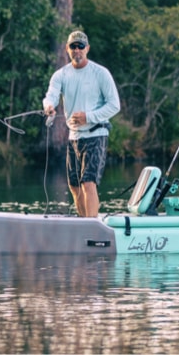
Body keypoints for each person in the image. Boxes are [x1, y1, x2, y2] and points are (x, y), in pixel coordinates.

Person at [42, 30, 121, 217]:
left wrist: (89, 117)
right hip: (74, 137)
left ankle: (91, 226)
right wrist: (49, 107)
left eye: (81, 46)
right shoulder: (60, 75)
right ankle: (84, 222)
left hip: (96, 134)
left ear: (87, 49)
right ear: (67, 49)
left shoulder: (100, 73)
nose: (77, 50)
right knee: (74, 185)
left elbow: (114, 105)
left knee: (88, 182)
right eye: (73, 47)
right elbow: (50, 96)